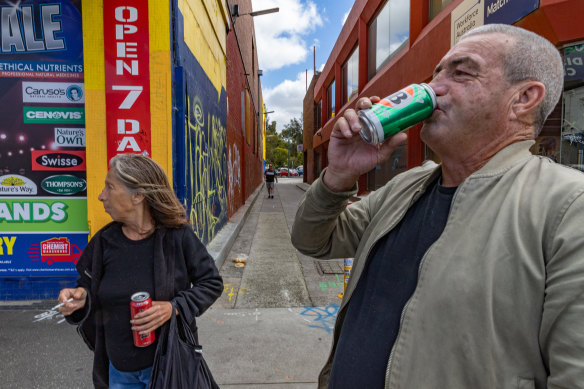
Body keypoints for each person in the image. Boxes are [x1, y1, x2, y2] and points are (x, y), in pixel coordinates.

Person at [291, 24, 584, 388]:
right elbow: (312, 240)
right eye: (436, 74)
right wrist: (338, 176)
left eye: (461, 72)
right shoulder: (407, 186)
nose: (433, 88)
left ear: (523, 98)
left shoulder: (569, 208)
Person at [57, 154, 223, 388]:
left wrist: (173, 307)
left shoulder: (178, 238)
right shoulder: (104, 242)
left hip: (168, 366)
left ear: (138, 195)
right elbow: (88, 289)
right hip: (119, 373)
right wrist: (79, 298)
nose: (101, 195)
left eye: (110, 187)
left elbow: (211, 283)